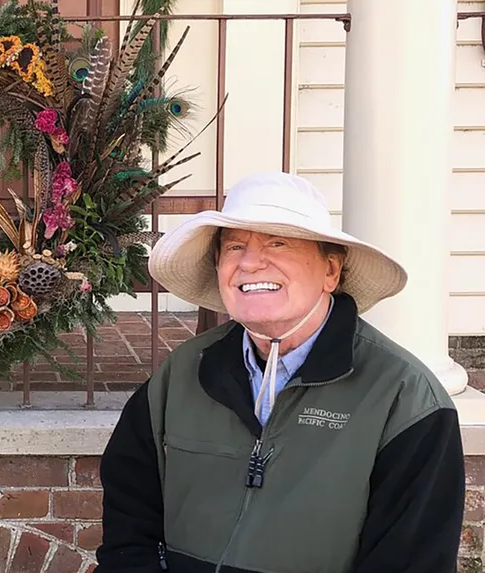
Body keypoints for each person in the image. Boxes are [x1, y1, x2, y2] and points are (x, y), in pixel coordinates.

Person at [95, 172, 465, 572]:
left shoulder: (405, 397)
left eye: (278, 242)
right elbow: (128, 523)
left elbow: (412, 559)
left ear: (331, 271)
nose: (250, 262)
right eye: (235, 246)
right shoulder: (182, 373)